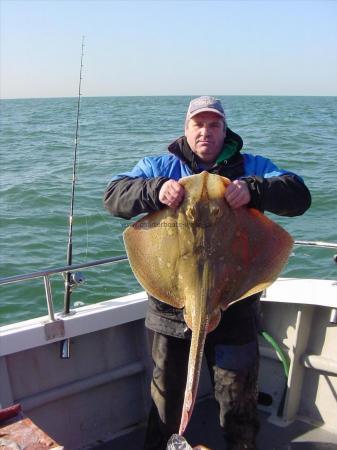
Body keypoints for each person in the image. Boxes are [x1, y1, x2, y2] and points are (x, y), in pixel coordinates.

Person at [104, 96, 311, 450]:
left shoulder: (251, 167)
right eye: (198, 124)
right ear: (186, 130)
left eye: (214, 125)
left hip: (234, 304)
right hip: (170, 307)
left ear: (224, 130)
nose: (206, 132)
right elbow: (114, 196)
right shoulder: (160, 167)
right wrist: (155, 191)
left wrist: (255, 190)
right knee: (166, 396)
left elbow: (298, 194)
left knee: (237, 399)